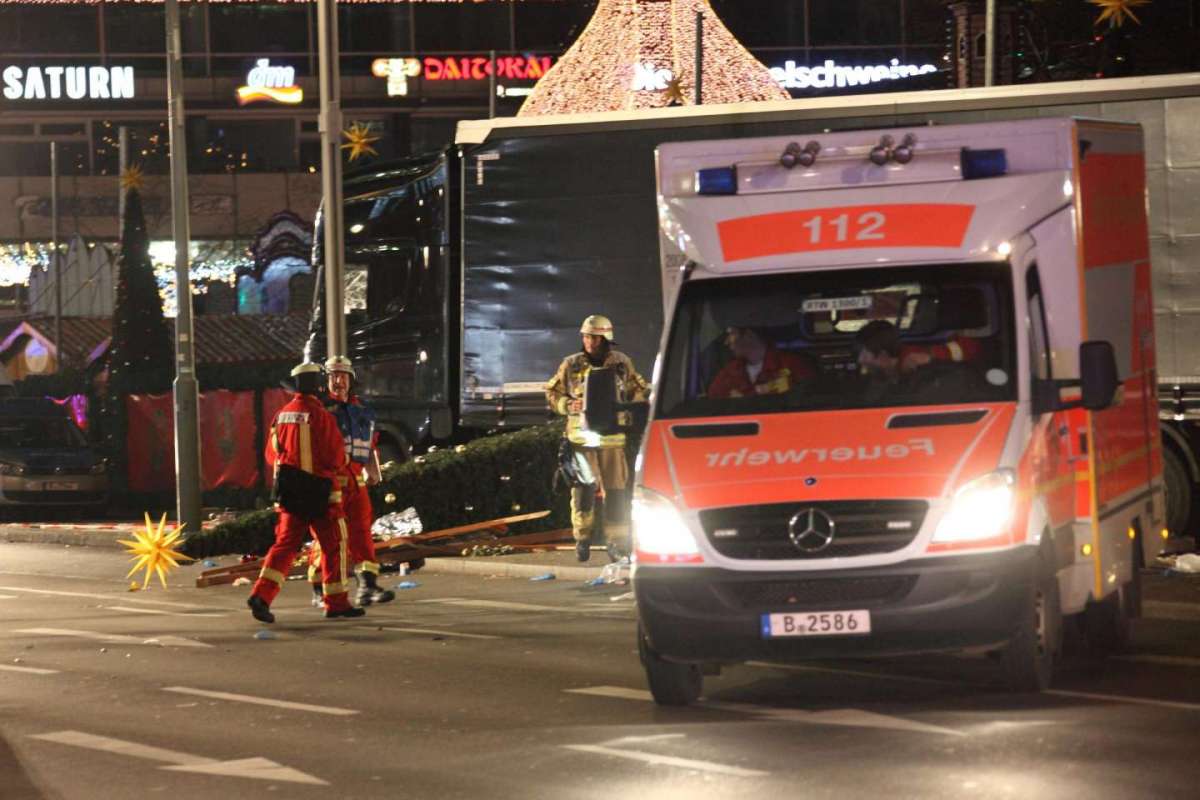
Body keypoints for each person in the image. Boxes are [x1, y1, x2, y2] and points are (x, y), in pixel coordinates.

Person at [247, 362, 364, 623]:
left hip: (290, 494)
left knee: (284, 546)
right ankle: (336, 602)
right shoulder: (321, 415)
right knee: (335, 544)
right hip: (320, 494)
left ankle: (261, 596)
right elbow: (335, 457)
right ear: (318, 385)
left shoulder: (282, 414)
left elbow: (270, 454)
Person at [546, 315, 649, 562]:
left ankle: (616, 543)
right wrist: (568, 404)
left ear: (605, 338)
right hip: (581, 439)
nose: (589, 341)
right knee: (583, 491)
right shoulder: (570, 365)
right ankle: (582, 538)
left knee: (616, 492)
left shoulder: (622, 363)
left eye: (594, 337)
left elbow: (640, 390)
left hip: (613, 439)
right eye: (586, 336)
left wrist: (628, 405)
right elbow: (552, 392)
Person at [306, 356, 395, 608]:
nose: (338, 381)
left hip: (356, 483)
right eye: (333, 376)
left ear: (351, 380)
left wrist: (374, 470)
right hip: (330, 482)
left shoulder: (362, 411)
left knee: (362, 534)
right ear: (326, 380)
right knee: (328, 537)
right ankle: (319, 585)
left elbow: (368, 445)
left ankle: (367, 585)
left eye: (343, 376)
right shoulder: (320, 410)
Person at [707, 327, 816, 399]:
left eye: (732, 333)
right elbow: (712, 401)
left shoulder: (792, 364)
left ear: (749, 334)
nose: (727, 342)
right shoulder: (730, 371)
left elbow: (809, 397)